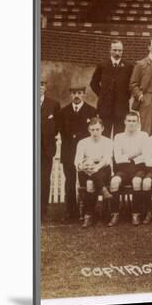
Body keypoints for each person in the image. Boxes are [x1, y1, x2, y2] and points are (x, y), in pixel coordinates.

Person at [58, 80, 97, 222]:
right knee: (69, 182)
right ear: (70, 95)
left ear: (84, 94)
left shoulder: (92, 111)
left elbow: (92, 131)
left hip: (85, 152)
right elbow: (62, 131)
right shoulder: (63, 112)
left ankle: (86, 211)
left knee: (84, 181)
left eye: (79, 93)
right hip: (68, 151)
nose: (77, 96)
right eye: (74, 93)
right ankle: (70, 212)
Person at [110, 112, 149, 227]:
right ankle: (115, 214)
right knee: (114, 182)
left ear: (138, 123)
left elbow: (146, 156)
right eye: (129, 121)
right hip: (124, 169)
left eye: (134, 121)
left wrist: (126, 156)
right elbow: (117, 159)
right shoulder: (118, 137)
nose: (131, 123)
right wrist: (136, 153)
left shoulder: (144, 135)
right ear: (125, 122)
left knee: (137, 181)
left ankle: (135, 214)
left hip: (139, 168)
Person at [74, 117, 113, 228]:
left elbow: (106, 159)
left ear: (103, 129)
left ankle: (88, 216)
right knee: (90, 182)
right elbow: (77, 160)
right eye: (92, 129)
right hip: (86, 170)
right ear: (88, 130)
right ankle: (103, 190)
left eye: (97, 129)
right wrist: (83, 166)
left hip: (103, 169)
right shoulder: (82, 142)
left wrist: (96, 167)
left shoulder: (108, 141)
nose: (95, 132)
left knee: (92, 182)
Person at [90, 39, 133, 137]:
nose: (117, 53)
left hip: (121, 107)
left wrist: (126, 96)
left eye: (120, 50)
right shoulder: (102, 65)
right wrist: (102, 95)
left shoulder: (129, 66)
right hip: (105, 107)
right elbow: (93, 83)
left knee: (120, 135)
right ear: (110, 50)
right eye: (115, 50)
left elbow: (132, 84)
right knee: (104, 133)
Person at [40, 77, 60, 221]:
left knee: (44, 179)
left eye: (42, 84)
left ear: (45, 87)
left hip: (46, 148)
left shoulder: (53, 104)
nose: (39, 86)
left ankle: (42, 211)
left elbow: (57, 125)